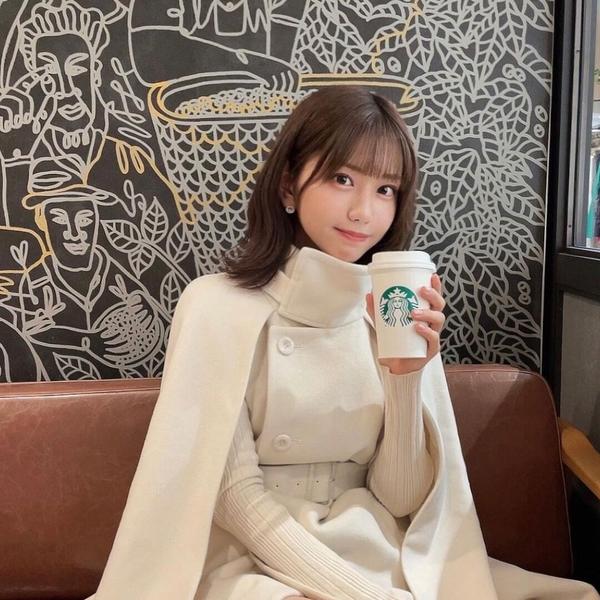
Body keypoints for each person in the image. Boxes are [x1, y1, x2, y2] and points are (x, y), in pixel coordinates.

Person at [87, 86, 599, 599]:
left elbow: (400, 500)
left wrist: (405, 379)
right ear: (288, 186)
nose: (363, 212)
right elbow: (235, 498)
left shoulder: (390, 307)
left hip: (370, 540)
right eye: (342, 178)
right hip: (251, 557)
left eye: (386, 189)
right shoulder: (215, 304)